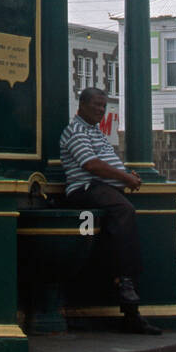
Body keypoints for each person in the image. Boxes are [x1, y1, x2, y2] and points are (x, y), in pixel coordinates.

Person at [60, 87, 162, 336]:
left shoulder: (96, 131)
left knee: (123, 214)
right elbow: (92, 165)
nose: (100, 110)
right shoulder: (75, 131)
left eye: (103, 106)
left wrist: (127, 175)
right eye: (96, 105)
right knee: (124, 210)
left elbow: (107, 161)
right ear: (81, 105)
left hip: (106, 188)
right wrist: (126, 178)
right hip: (85, 188)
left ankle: (131, 310)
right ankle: (124, 280)